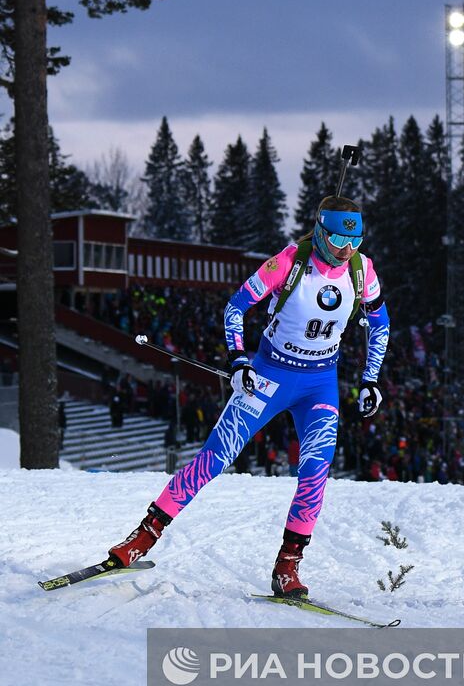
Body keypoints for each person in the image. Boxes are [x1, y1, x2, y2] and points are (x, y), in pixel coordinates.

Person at [106, 195, 390, 597]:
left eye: (355, 243)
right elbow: (236, 307)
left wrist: (371, 379)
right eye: (338, 242)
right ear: (321, 232)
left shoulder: (363, 271)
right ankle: (143, 537)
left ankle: (287, 567)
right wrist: (239, 360)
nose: (346, 252)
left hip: (320, 383)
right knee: (214, 459)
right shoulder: (288, 263)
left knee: (315, 473)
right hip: (271, 375)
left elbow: (380, 324)